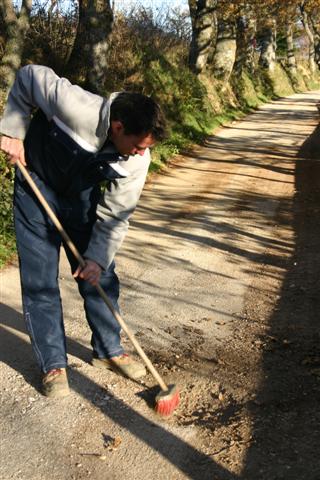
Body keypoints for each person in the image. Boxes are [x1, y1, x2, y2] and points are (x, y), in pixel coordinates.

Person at [0, 64, 166, 398]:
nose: (141, 153)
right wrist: (13, 132)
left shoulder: (137, 160)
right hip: (36, 188)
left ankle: (108, 350)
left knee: (100, 275)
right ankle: (53, 364)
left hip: (80, 200)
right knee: (40, 279)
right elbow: (29, 77)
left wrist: (97, 259)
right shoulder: (73, 105)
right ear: (117, 127)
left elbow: (117, 214)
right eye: (138, 145)